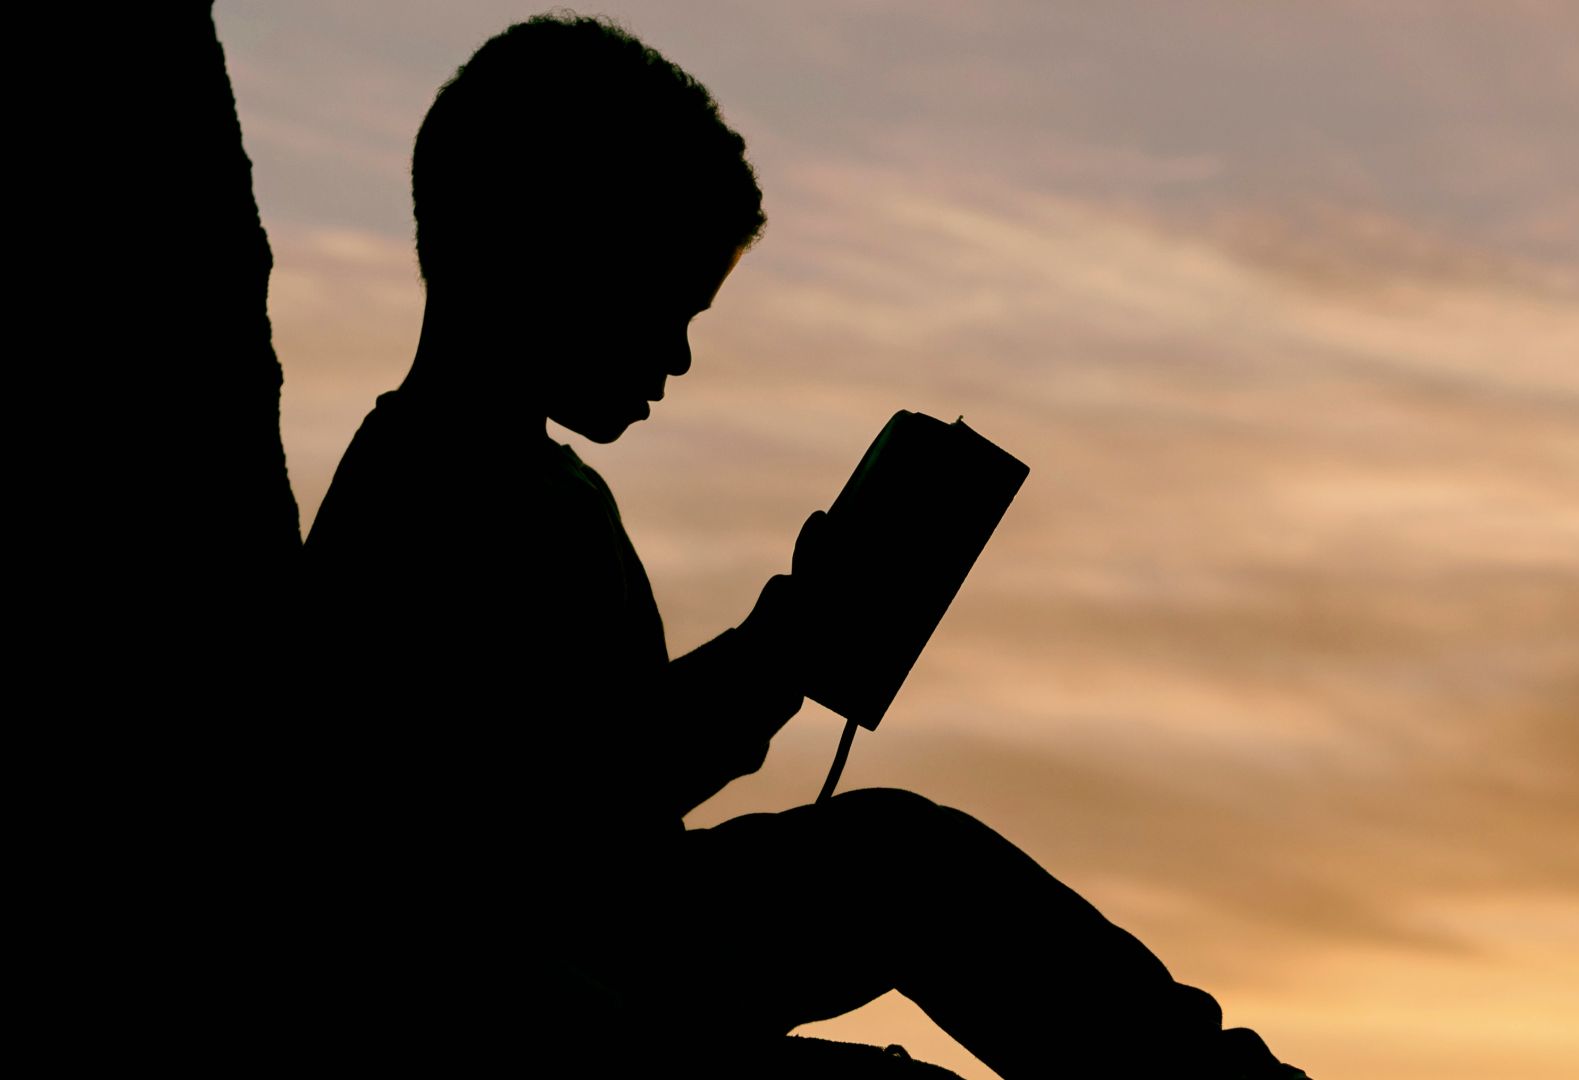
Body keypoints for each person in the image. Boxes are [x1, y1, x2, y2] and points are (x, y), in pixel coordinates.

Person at [302, 14, 1310, 1078]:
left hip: (609, 942)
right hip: (533, 998)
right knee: (904, 867)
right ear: (554, 249)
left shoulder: (499, 481)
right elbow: (549, 824)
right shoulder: (435, 495)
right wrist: (783, 650)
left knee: (903, 858)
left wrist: (784, 645)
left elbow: (596, 786)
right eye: (665, 301)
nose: (680, 355)